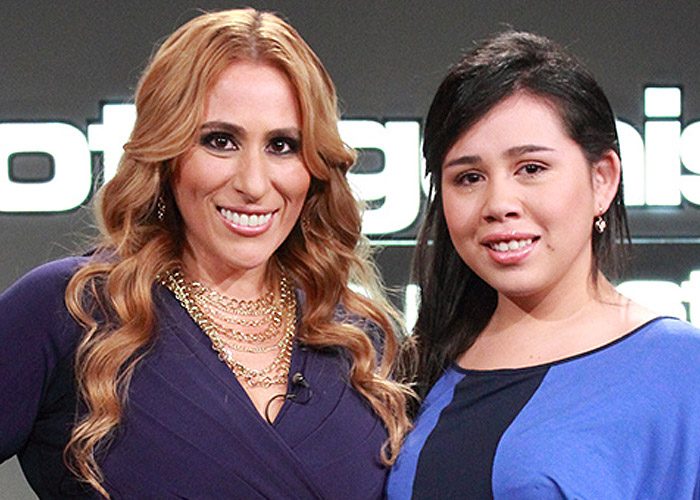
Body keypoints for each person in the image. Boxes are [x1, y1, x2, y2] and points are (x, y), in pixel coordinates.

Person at [0, 8, 412, 499]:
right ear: (168, 152)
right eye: (220, 141)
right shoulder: (72, 311)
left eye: (282, 145)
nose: (253, 183)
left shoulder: (360, 343)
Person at [387, 31, 700, 499]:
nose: (499, 203)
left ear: (602, 179)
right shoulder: (420, 369)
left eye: (531, 169)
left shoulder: (681, 369)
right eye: (469, 178)